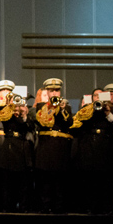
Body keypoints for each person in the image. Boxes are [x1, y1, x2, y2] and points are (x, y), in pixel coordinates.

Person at [0, 80, 34, 212]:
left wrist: (24, 114)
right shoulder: (6, 112)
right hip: (9, 146)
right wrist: (11, 107)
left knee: (23, 182)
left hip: (21, 146)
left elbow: (29, 127)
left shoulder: (25, 114)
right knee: (7, 181)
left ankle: (23, 206)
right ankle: (7, 206)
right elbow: (0, 117)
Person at [33, 78, 73, 213]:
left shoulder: (66, 107)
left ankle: (59, 207)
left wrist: (61, 110)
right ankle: (45, 206)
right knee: (45, 180)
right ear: (47, 92)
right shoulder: (41, 107)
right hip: (46, 147)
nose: (55, 93)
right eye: (51, 91)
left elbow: (68, 123)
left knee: (60, 179)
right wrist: (51, 107)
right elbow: (42, 122)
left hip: (60, 147)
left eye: (57, 90)